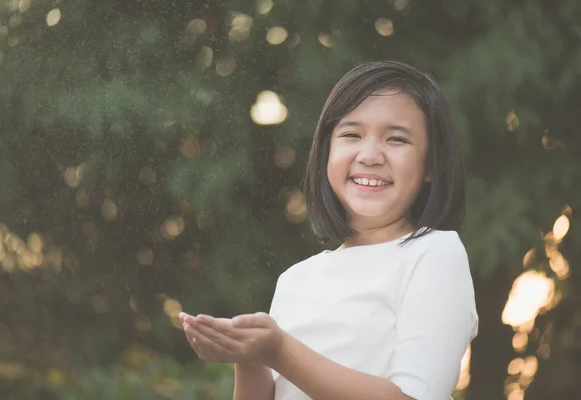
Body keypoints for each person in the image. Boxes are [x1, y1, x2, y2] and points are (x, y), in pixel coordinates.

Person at [179, 60, 479, 400]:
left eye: (396, 139)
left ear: (431, 165)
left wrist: (279, 352)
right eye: (351, 135)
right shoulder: (295, 279)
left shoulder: (435, 254)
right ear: (326, 152)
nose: (369, 155)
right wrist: (251, 358)